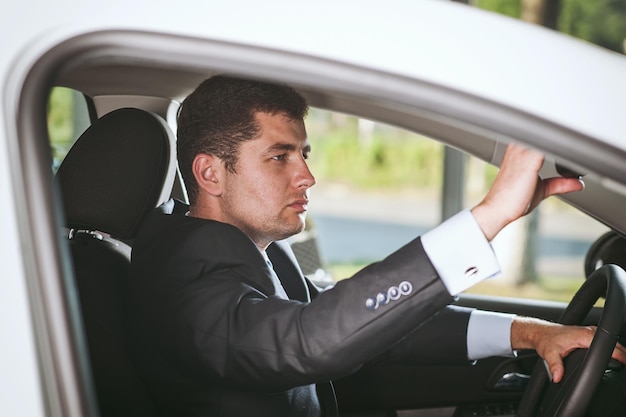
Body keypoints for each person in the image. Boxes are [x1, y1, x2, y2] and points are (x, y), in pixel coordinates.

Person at [126, 75, 626, 417]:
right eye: (279, 157)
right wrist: (490, 216)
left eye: (303, 153)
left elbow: (364, 326)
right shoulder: (179, 274)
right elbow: (307, 341)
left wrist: (530, 333)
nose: (308, 176)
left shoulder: (244, 246)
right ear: (210, 172)